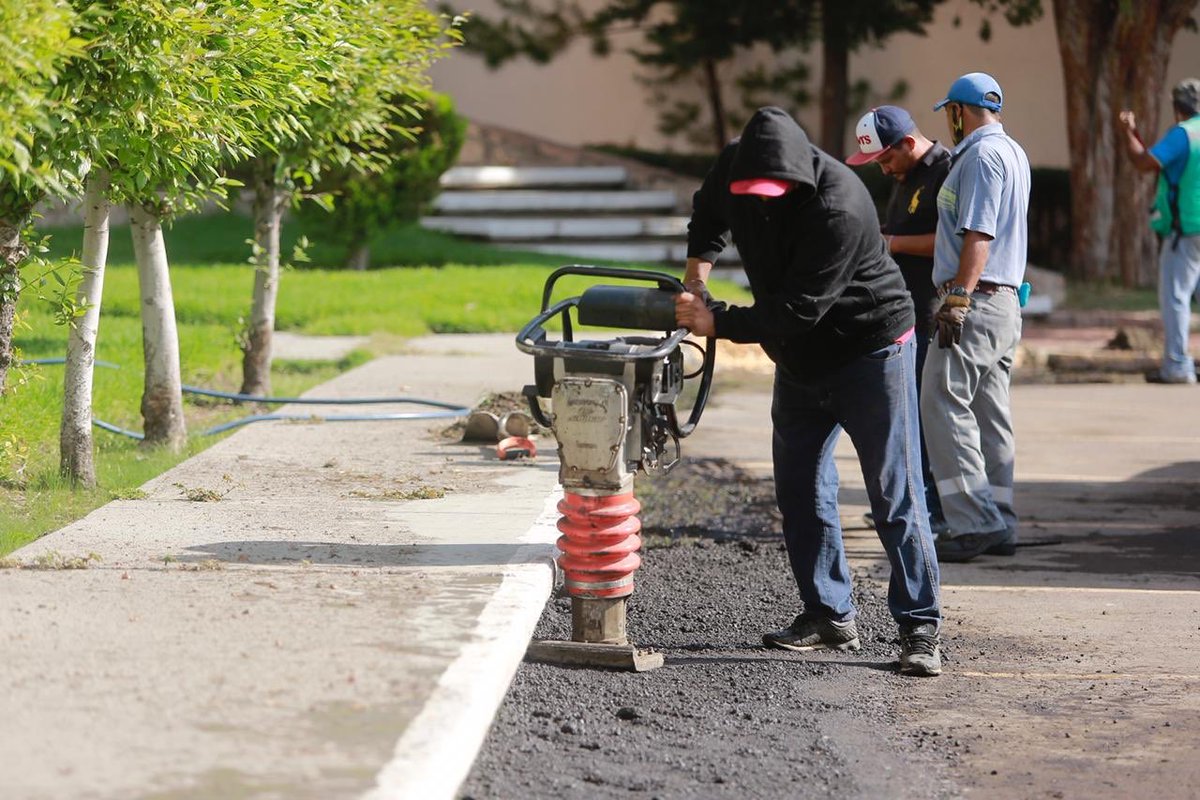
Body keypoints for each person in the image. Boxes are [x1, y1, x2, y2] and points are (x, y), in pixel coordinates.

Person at [674, 106, 942, 677]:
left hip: (870, 350)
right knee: (800, 491)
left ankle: (919, 627)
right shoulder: (734, 169)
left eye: (774, 193)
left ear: (798, 173)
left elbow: (796, 312)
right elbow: (706, 217)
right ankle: (828, 615)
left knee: (894, 493)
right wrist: (696, 278)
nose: (763, 202)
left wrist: (713, 321)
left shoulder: (839, 205)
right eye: (753, 192)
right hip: (798, 362)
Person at [921, 72, 1030, 563]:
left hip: (978, 300)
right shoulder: (1013, 152)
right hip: (1002, 303)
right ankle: (1000, 521)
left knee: (942, 403)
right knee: (990, 411)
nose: (950, 121)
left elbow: (979, 233)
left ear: (960, 112)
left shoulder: (982, 156)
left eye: (950, 113)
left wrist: (958, 295)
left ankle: (973, 521)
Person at [846, 105, 953, 532]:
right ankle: (912, 503)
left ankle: (938, 511)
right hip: (899, 314)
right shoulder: (906, 174)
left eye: (886, 158)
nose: (884, 169)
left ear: (909, 143)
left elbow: (953, 240)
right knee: (902, 417)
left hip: (929, 313)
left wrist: (892, 244)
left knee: (928, 419)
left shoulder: (946, 171)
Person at [1118, 78, 1200, 384]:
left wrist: (1128, 131)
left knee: (1176, 298)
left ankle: (1178, 365)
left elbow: (1144, 162)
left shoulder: (1184, 134)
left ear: (1177, 106)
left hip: (1187, 230)